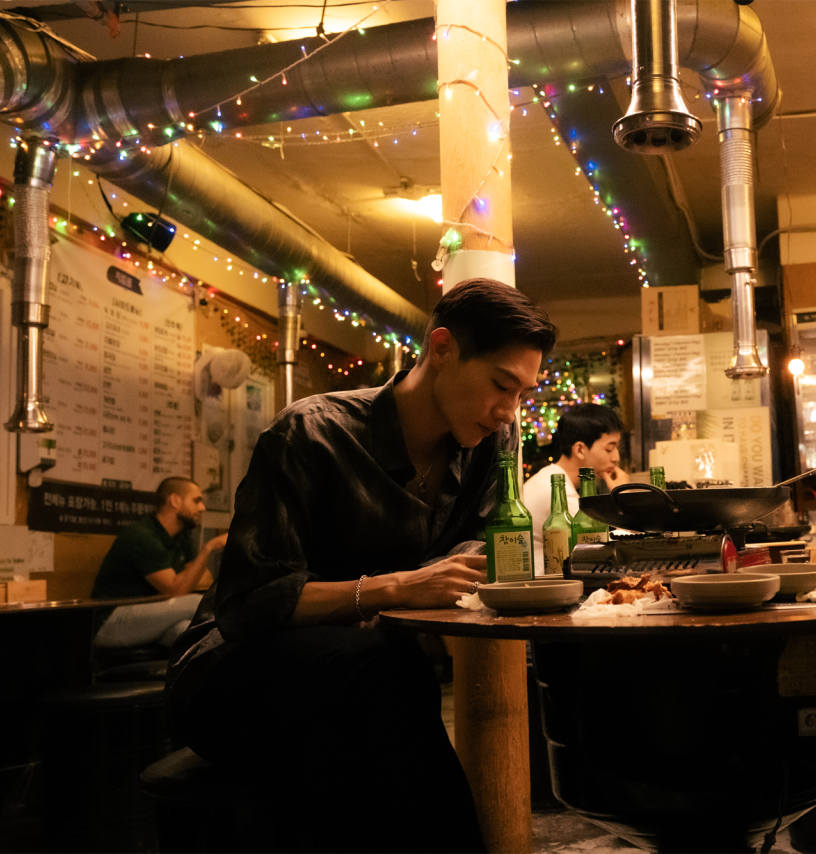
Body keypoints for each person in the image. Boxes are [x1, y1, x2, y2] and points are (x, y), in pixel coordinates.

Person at [167, 279, 556, 853]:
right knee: (384, 675)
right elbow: (248, 603)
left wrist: (457, 570)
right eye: (502, 385)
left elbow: (483, 544)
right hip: (232, 678)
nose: (508, 412)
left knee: (366, 733)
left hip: (360, 686)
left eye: (523, 393)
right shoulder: (312, 432)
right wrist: (395, 588)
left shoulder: (490, 444)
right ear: (442, 348)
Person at [91, 476, 227, 648]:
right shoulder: (143, 536)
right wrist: (208, 548)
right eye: (196, 501)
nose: (202, 508)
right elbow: (177, 591)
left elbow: (205, 579)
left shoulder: (182, 537)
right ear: (174, 501)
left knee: (188, 631)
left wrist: (183, 580)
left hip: (153, 614)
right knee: (196, 603)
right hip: (111, 620)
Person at [521, 403, 627, 568]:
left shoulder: (553, 477)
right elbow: (605, 547)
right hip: (544, 580)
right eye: (609, 449)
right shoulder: (557, 491)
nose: (616, 458)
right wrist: (622, 497)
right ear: (580, 450)